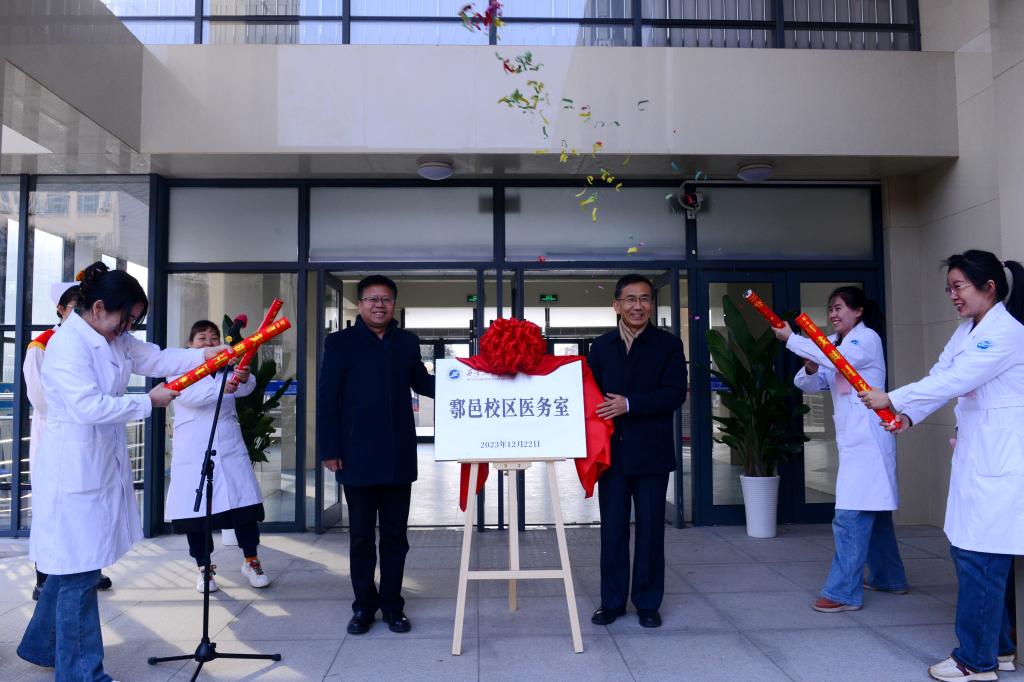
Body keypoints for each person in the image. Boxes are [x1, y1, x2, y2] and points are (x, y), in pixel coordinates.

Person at [16, 262, 220, 681]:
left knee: (73, 568)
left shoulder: (114, 338)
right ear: (98, 307)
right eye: (125, 319)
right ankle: (83, 674)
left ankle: (41, 644)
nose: (128, 328)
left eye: (133, 322)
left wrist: (205, 354)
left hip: (96, 465)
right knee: (78, 575)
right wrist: (149, 402)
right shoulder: (66, 346)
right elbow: (87, 407)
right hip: (71, 474)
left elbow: (157, 356)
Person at [860, 250, 1024, 682]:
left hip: (1003, 460)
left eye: (959, 286)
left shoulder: (1005, 332)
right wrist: (907, 415)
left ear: (990, 287)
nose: (952, 295)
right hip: (979, 456)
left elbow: (956, 380)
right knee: (973, 552)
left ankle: (976, 661)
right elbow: (941, 374)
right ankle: (999, 649)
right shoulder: (967, 330)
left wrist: (892, 398)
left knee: (979, 557)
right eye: (949, 288)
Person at [773, 286, 907, 613]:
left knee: (850, 515)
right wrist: (810, 366)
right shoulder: (832, 343)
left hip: (870, 440)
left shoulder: (866, 339)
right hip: (854, 440)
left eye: (839, 308)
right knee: (874, 510)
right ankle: (889, 577)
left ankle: (843, 591)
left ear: (858, 311)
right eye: (831, 309)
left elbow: (840, 362)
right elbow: (807, 383)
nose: (833, 314)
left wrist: (792, 339)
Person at [316, 275, 435, 635]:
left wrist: (473, 382)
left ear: (394, 304)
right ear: (360, 305)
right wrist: (330, 448)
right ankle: (364, 607)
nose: (379, 305)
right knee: (362, 537)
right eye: (372, 299)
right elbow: (327, 397)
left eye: (386, 299)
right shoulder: (340, 343)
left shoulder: (407, 342)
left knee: (396, 537)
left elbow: (423, 383)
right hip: (356, 455)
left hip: (398, 454)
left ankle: (393, 606)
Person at [586, 274, 687, 628]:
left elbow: (675, 393)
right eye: (630, 299)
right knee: (612, 531)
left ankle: (647, 602)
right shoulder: (601, 347)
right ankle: (612, 603)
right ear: (616, 305)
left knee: (650, 531)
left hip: (652, 454)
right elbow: (589, 396)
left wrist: (629, 404)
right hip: (612, 456)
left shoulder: (668, 345)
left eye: (644, 299)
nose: (638, 306)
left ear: (652, 305)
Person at [23, 282, 114, 600]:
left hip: (87, 433)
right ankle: (44, 578)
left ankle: (90, 570)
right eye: (74, 308)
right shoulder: (43, 344)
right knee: (51, 509)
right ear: (60, 310)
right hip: (55, 433)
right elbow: (39, 396)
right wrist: (76, 413)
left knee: (87, 508)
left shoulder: (96, 343)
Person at [166, 319, 269, 593]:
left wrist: (244, 377)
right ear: (190, 344)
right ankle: (204, 568)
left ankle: (251, 560)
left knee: (243, 508)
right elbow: (187, 395)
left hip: (228, 446)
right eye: (202, 338)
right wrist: (222, 387)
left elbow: (245, 388)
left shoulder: (227, 366)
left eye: (213, 338)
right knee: (197, 514)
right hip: (194, 449)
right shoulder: (179, 368)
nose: (209, 342)